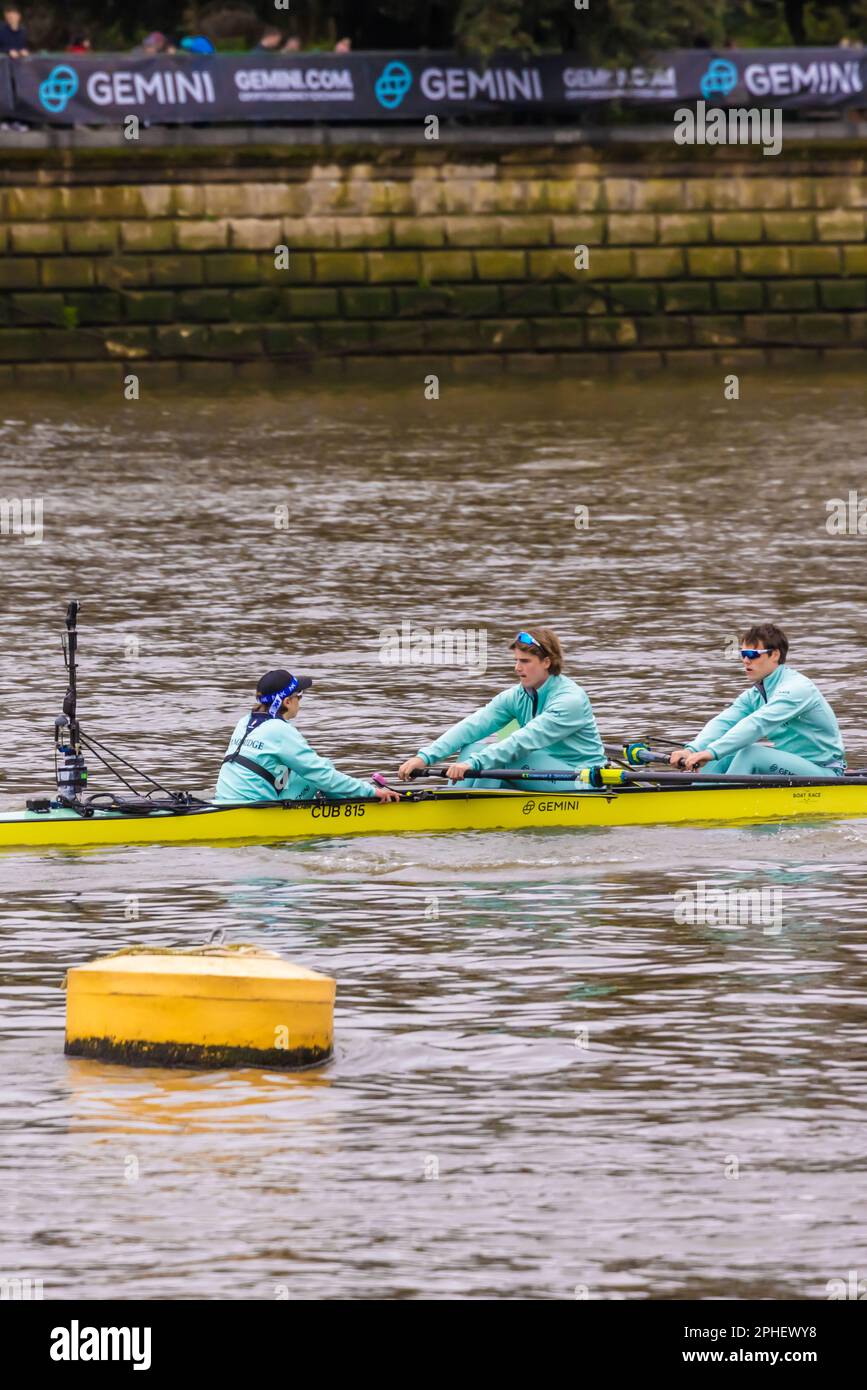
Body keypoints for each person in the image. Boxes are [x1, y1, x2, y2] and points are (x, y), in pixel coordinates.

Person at [397, 629, 605, 790]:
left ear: (547, 662)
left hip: (581, 778)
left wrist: (475, 764)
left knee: (498, 759)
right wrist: (424, 757)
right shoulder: (519, 695)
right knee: (471, 747)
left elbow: (523, 741)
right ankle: (453, 804)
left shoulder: (570, 700)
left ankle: (467, 820)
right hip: (543, 770)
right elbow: (473, 725)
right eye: (516, 660)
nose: (517, 668)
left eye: (525, 661)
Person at [670, 623, 846, 777]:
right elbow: (723, 723)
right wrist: (692, 749)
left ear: (774, 655)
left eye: (752, 654)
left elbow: (757, 724)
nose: (746, 660)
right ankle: (699, 794)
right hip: (791, 766)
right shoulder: (756, 694)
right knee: (727, 753)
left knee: (750, 754)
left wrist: (711, 752)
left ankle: (723, 804)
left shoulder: (796, 689)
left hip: (824, 770)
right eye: (742, 654)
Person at [215, 668, 399, 805]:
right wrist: (370, 791)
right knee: (322, 768)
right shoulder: (280, 730)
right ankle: (352, 809)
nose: (300, 702)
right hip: (255, 809)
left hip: (223, 801)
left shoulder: (244, 721)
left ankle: (347, 800)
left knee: (299, 769)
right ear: (287, 701)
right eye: (299, 696)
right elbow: (323, 775)